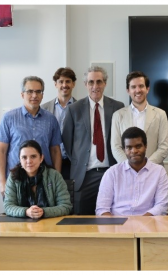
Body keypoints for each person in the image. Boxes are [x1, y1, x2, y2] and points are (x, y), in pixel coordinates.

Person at [62, 66, 125, 215]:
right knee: (81, 220)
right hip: (84, 175)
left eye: (99, 82)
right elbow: (67, 141)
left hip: (111, 172)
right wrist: (80, 159)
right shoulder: (74, 109)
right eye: (91, 82)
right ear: (85, 84)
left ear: (105, 83)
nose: (95, 86)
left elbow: (122, 140)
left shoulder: (118, 107)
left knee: (112, 218)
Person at [0, 76, 62, 198]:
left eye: (38, 91)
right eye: (30, 91)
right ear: (22, 94)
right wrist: (2, 181)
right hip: (15, 180)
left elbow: (55, 151)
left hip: (44, 180)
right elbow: (1, 151)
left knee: (45, 214)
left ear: (42, 95)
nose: (34, 95)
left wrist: (57, 179)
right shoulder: (9, 118)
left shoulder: (51, 119)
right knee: (17, 215)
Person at [96, 127, 168, 216]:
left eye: (138, 146)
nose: (134, 151)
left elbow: (161, 206)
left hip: (149, 225)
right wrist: (115, 227)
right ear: (124, 150)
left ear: (145, 146)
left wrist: (140, 223)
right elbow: (102, 209)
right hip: (118, 226)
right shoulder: (112, 173)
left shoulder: (159, 172)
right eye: (129, 147)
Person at [111, 71, 168, 165]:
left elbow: (163, 147)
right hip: (126, 172)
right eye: (133, 87)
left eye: (141, 86)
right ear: (128, 90)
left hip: (153, 172)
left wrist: (146, 166)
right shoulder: (118, 116)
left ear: (147, 89)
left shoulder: (160, 114)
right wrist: (130, 167)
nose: (138, 90)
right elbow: (116, 147)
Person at [3, 140, 72, 218]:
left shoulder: (54, 175)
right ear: (20, 160)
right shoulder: (13, 177)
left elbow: (66, 206)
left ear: (41, 158)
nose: (29, 161)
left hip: (51, 225)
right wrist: (26, 212)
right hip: (21, 226)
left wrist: (43, 211)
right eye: (24, 157)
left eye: (33, 156)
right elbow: (8, 207)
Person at [42, 67, 78, 180]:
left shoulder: (81, 108)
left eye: (68, 81)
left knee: (70, 195)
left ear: (73, 84)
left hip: (72, 161)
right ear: (55, 84)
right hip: (49, 160)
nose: (64, 85)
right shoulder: (44, 108)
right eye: (61, 81)